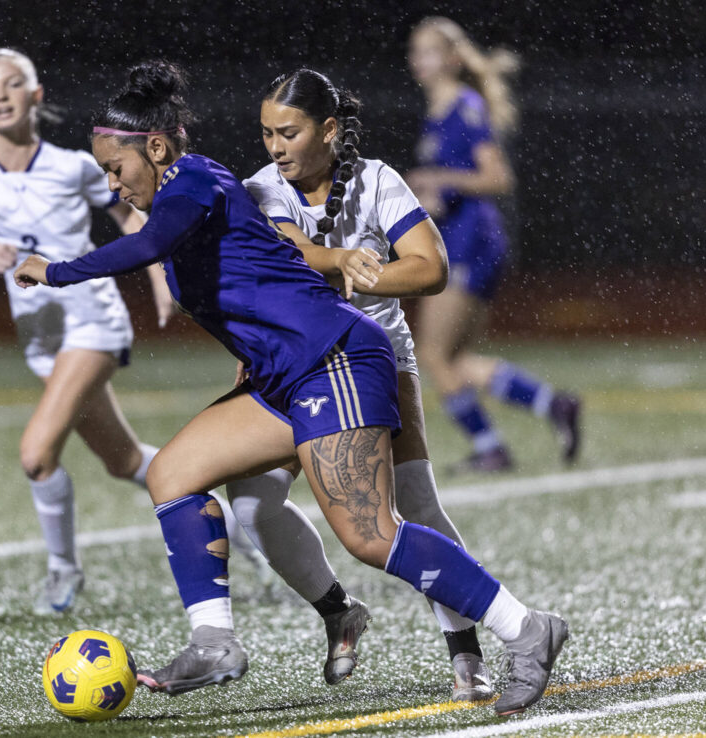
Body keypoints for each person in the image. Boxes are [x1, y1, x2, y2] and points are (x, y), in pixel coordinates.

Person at [15, 60, 569, 717]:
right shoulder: (207, 189)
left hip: (334, 357)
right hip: (285, 374)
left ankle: (524, 628)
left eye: (116, 169)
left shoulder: (193, 180)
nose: (113, 184)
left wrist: (56, 270)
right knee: (172, 474)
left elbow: (150, 245)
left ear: (157, 149)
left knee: (370, 532)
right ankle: (216, 641)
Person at [0, 48, 270, 616]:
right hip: (40, 335)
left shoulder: (76, 165)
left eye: (14, 84)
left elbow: (138, 214)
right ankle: (234, 530)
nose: (2, 94)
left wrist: (163, 275)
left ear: (36, 96)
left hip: (93, 322)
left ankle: (62, 573)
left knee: (36, 454)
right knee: (124, 459)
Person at [228, 68, 491, 702]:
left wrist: (355, 278)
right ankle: (337, 610)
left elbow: (431, 268)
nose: (275, 147)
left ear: (329, 130)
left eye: (288, 132)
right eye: (266, 133)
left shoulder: (376, 181)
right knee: (249, 503)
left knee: (414, 508)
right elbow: (277, 264)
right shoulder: (259, 191)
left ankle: (468, 650)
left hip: (373, 361)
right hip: (288, 364)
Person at [405, 17, 582, 473]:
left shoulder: (462, 106)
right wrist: (432, 193)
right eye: (415, 51)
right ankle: (553, 405)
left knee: (433, 354)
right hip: (467, 238)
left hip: (471, 241)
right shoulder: (442, 110)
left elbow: (497, 177)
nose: (417, 60)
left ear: (451, 58)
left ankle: (490, 448)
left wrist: (435, 180)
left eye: (427, 50)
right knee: (456, 359)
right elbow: (453, 183)